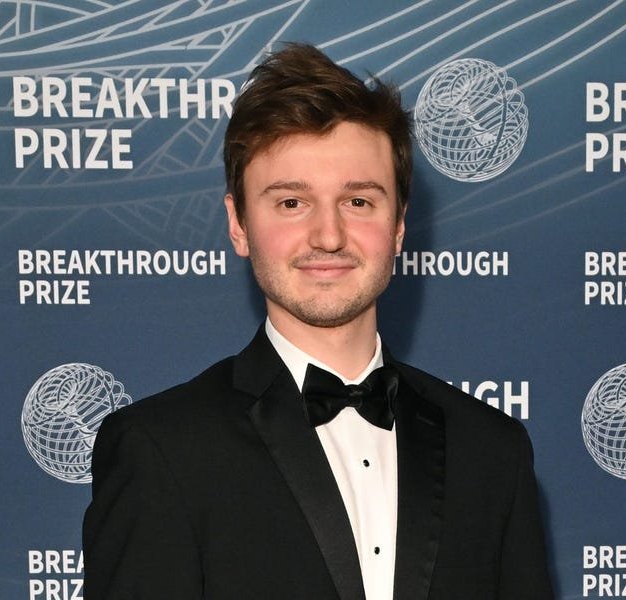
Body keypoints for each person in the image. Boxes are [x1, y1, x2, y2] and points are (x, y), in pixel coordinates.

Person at [83, 43, 554, 600]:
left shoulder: (492, 451)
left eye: (358, 202)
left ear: (399, 226)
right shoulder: (160, 450)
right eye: (291, 203)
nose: (328, 236)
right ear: (238, 224)